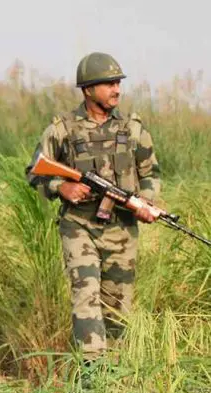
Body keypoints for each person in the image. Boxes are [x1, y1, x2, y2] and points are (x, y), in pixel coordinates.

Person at [26, 53, 161, 361]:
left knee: (118, 307)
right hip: (79, 225)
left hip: (123, 229)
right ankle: (92, 374)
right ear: (88, 90)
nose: (116, 89)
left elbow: (151, 173)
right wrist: (62, 187)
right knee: (86, 296)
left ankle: (113, 378)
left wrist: (147, 203)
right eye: (108, 83)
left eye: (118, 83)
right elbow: (35, 171)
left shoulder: (133, 129)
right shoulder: (63, 129)